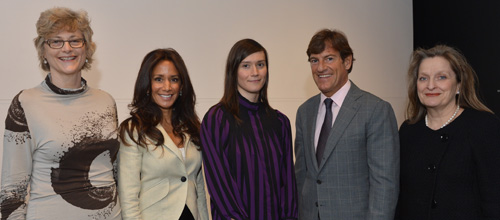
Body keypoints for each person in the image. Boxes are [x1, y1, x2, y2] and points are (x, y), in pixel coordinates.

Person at [0, 7, 121, 219]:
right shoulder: (25, 103)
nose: (67, 48)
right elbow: (12, 192)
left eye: (75, 40)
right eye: (56, 41)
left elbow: (117, 173)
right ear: (43, 50)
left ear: (87, 48)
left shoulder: (106, 101)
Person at [294, 29, 400, 220]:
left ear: (347, 61)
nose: (320, 67)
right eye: (314, 60)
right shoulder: (304, 112)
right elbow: (302, 177)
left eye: (329, 58)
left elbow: (385, 184)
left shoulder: (375, 110)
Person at [396, 45, 500, 219]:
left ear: (459, 85)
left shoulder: (484, 127)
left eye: (441, 77)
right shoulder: (408, 131)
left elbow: (494, 199)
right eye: (423, 78)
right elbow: (402, 198)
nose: (430, 85)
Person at [200, 39, 298, 220]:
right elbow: (219, 183)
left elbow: (288, 184)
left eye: (260, 64)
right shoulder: (217, 119)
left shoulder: (280, 122)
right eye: (246, 65)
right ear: (233, 71)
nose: (255, 72)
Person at [117, 48, 208, 220]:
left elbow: (198, 186)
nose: (167, 87)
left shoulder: (191, 127)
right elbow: (128, 196)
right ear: (147, 85)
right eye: (159, 79)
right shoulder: (134, 130)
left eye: (174, 79)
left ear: (181, 86)